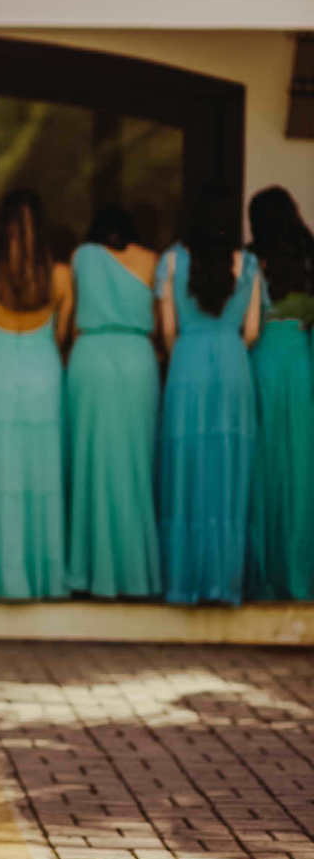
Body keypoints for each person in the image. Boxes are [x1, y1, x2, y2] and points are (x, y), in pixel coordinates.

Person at [156, 186, 261, 605]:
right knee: (229, 470)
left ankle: (185, 581)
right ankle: (224, 582)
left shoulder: (171, 262)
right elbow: (251, 331)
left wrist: (181, 354)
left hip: (187, 363)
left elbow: (168, 329)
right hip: (234, 365)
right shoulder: (249, 265)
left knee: (187, 470)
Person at [0, 188, 72, 599]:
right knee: (41, 471)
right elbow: (62, 334)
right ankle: (43, 574)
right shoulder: (60, 275)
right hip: (44, 369)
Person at [66, 205, 161, 597]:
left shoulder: (81, 257)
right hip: (138, 358)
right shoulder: (152, 260)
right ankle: (136, 572)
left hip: (90, 357)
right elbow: (160, 320)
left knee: (89, 464)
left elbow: (71, 315)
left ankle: (88, 571)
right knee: (136, 464)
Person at [245, 186, 313, 600]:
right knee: (301, 466)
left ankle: (265, 573)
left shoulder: (252, 259)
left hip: (262, 359)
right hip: (301, 360)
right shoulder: (309, 256)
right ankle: (300, 570)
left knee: (264, 466)